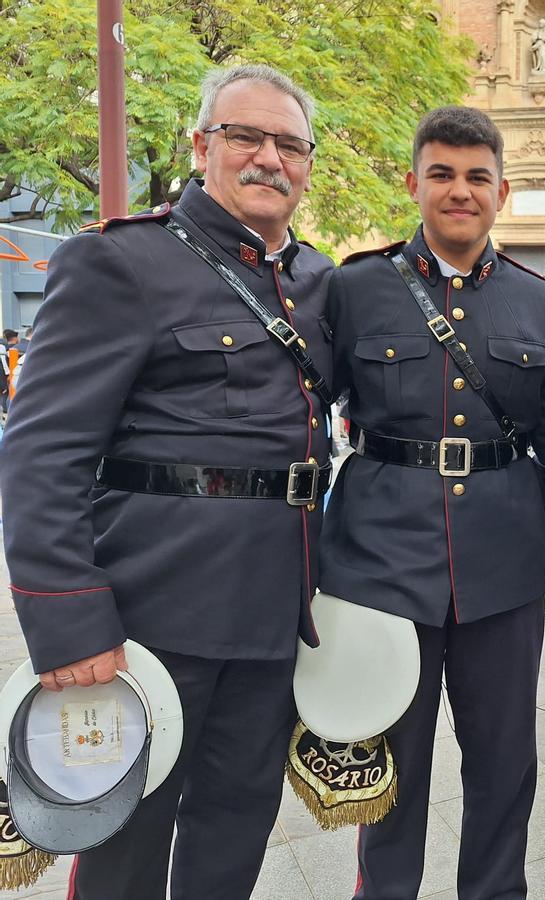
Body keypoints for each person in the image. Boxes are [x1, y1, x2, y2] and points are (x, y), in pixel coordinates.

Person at [0, 63, 333, 898]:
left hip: (271, 617)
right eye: (245, 136)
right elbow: (42, 452)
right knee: (125, 845)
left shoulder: (317, 283)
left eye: (289, 144)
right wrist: (69, 619)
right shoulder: (120, 262)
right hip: (151, 618)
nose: (269, 159)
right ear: (200, 146)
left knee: (234, 829)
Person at [320, 105, 545, 900]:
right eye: (441, 173)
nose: (459, 191)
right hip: (381, 568)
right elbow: (307, 413)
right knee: (392, 768)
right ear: (414, 183)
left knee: (504, 762)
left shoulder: (536, 300)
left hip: (502, 572)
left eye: (477, 176)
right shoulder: (356, 287)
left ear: (501, 191)